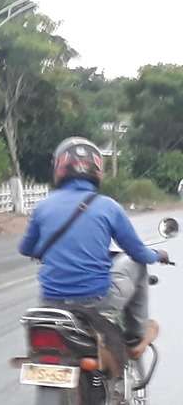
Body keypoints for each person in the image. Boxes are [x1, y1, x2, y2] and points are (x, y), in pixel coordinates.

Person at [19, 137, 169, 356]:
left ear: (59, 167)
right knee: (137, 264)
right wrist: (157, 254)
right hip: (94, 302)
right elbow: (138, 252)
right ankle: (136, 334)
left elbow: (26, 249)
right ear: (97, 168)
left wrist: (45, 250)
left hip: (50, 302)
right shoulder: (108, 207)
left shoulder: (43, 207)